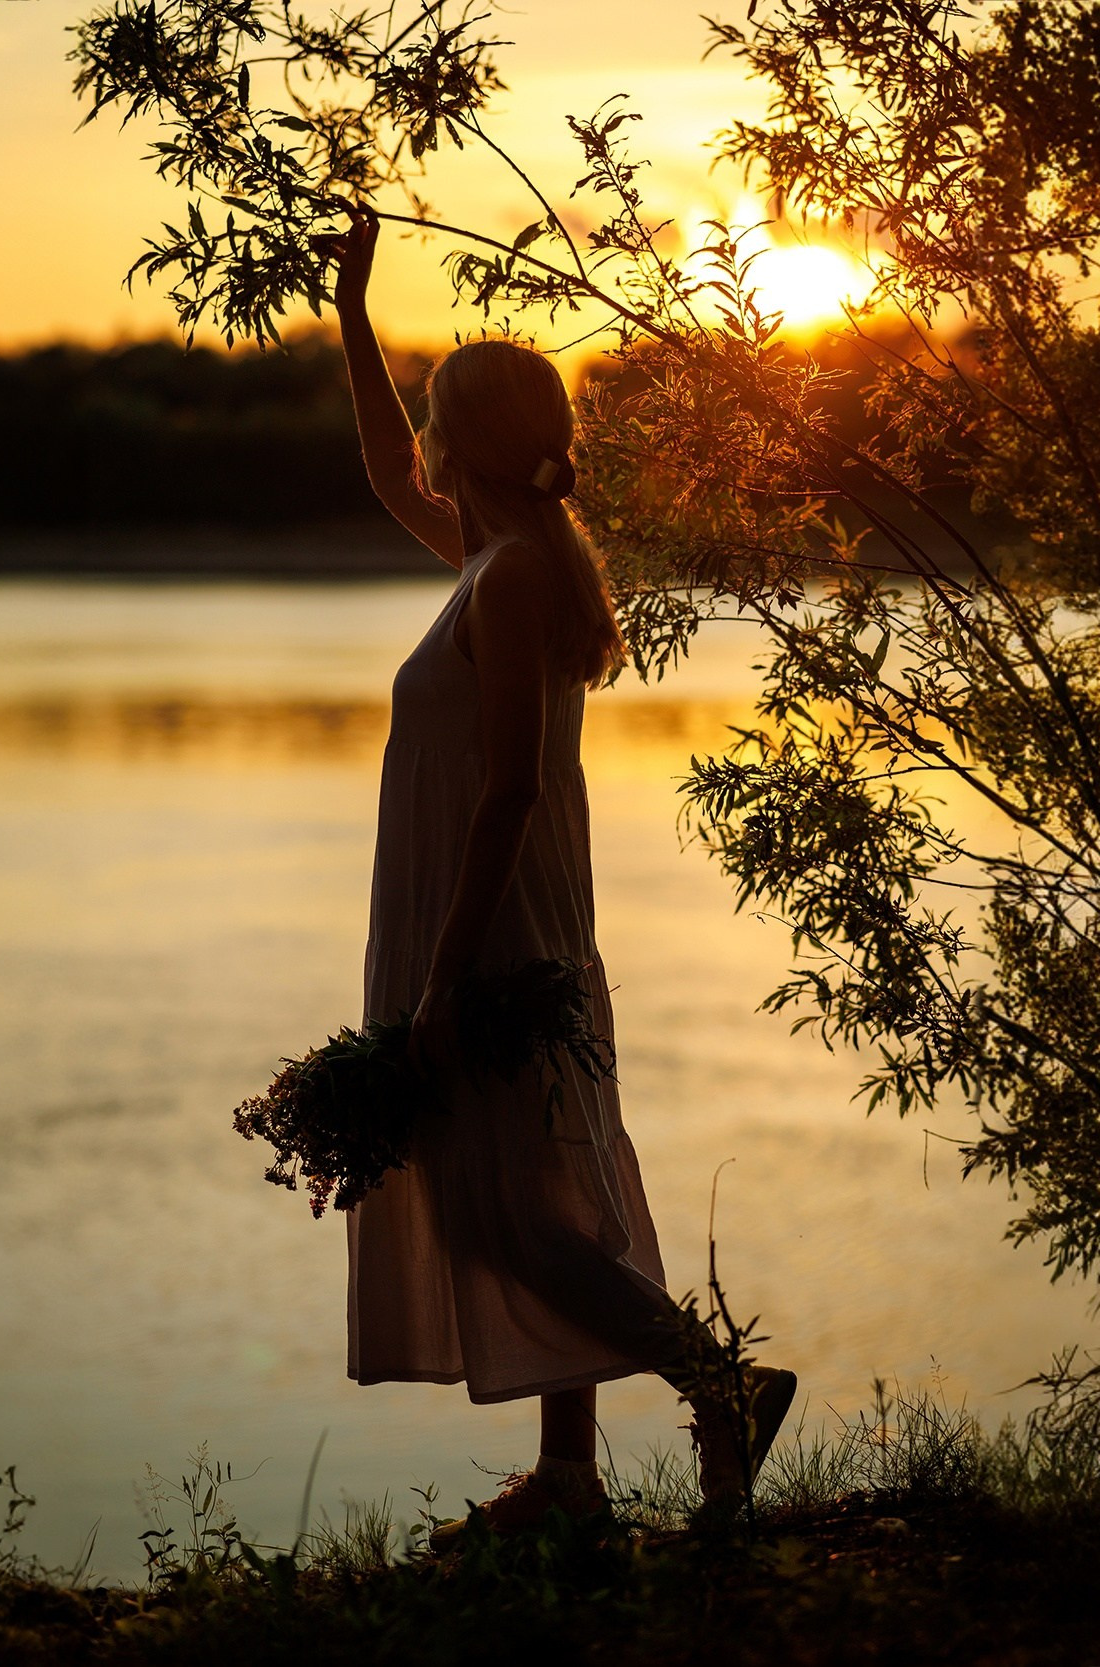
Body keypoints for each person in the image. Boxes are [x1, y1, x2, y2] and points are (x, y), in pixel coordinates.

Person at [315, 210, 796, 1540]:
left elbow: (514, 787)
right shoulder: (489, 561)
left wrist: (443, 974)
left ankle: (722, 1387)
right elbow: (377, 469)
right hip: (479, 913)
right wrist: (354, 316)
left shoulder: (514, 577)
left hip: (497, 921)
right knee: (529, 1189)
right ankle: (574, 1478)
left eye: (425, 412)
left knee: (502, 1206)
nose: (412, 434)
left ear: (456, 437)